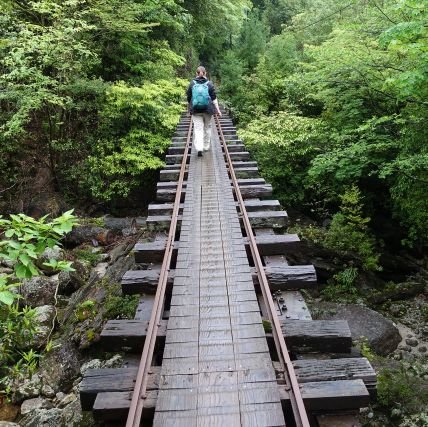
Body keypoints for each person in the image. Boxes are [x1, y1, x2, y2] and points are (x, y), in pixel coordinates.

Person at [186, 66, 222, 157]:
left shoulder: (192, 84)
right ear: (205, 73)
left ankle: (199, 148)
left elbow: (189, 98)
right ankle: (206, 146)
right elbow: (214, 99)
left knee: (198, 129)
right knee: (207, 128)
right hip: (207, 110)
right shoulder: (209, 84)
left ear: (196, 73)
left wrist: (189, 108)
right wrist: (218, 110)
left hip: (196, 110)